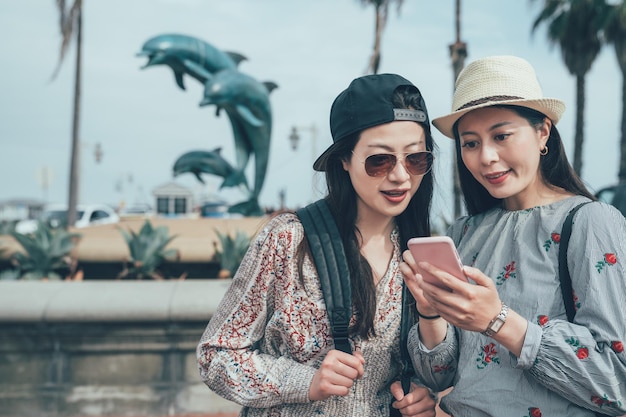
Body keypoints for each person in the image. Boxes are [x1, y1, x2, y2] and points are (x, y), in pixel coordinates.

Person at [197, 73, 439, 416]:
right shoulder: (288, 239)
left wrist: (425, 394)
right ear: (344, 160)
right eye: (380, 160)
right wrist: (304, 381)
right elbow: (215, 355)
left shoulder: (421, 251)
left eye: (416, 159)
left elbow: (438, 368)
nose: (400, 175)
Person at [401, 55, 626, 416]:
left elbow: (616, 384)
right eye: (470, 143)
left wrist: (498, 320)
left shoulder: (589, 222)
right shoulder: (465, 232)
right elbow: (440, 378)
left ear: (543, 132)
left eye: (502, 135)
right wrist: (430, 313)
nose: (486, 157)